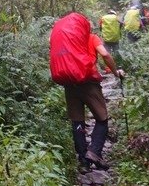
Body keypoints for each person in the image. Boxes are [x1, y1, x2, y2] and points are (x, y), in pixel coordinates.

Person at [49, 12, 125, 170]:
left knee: (77, 121)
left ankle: (83, 161)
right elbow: (105, 54)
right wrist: (116, 72)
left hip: (69, 83)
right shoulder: (91, 37)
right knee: (102, 118)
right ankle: (94, 151)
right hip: (88, 83)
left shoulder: (67, 40)